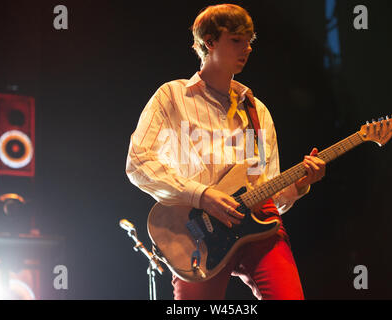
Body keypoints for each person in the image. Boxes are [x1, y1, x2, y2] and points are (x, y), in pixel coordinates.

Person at [125, 4, 326, 300]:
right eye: (236, 40)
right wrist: (200, 194)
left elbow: (272, 195)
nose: (247, 48)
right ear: (209, 42)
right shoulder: (171, 96)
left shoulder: (258, 111)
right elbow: (138, 163)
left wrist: (299, 185)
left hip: (258, 225)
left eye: (250, 41)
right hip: (197, 233)